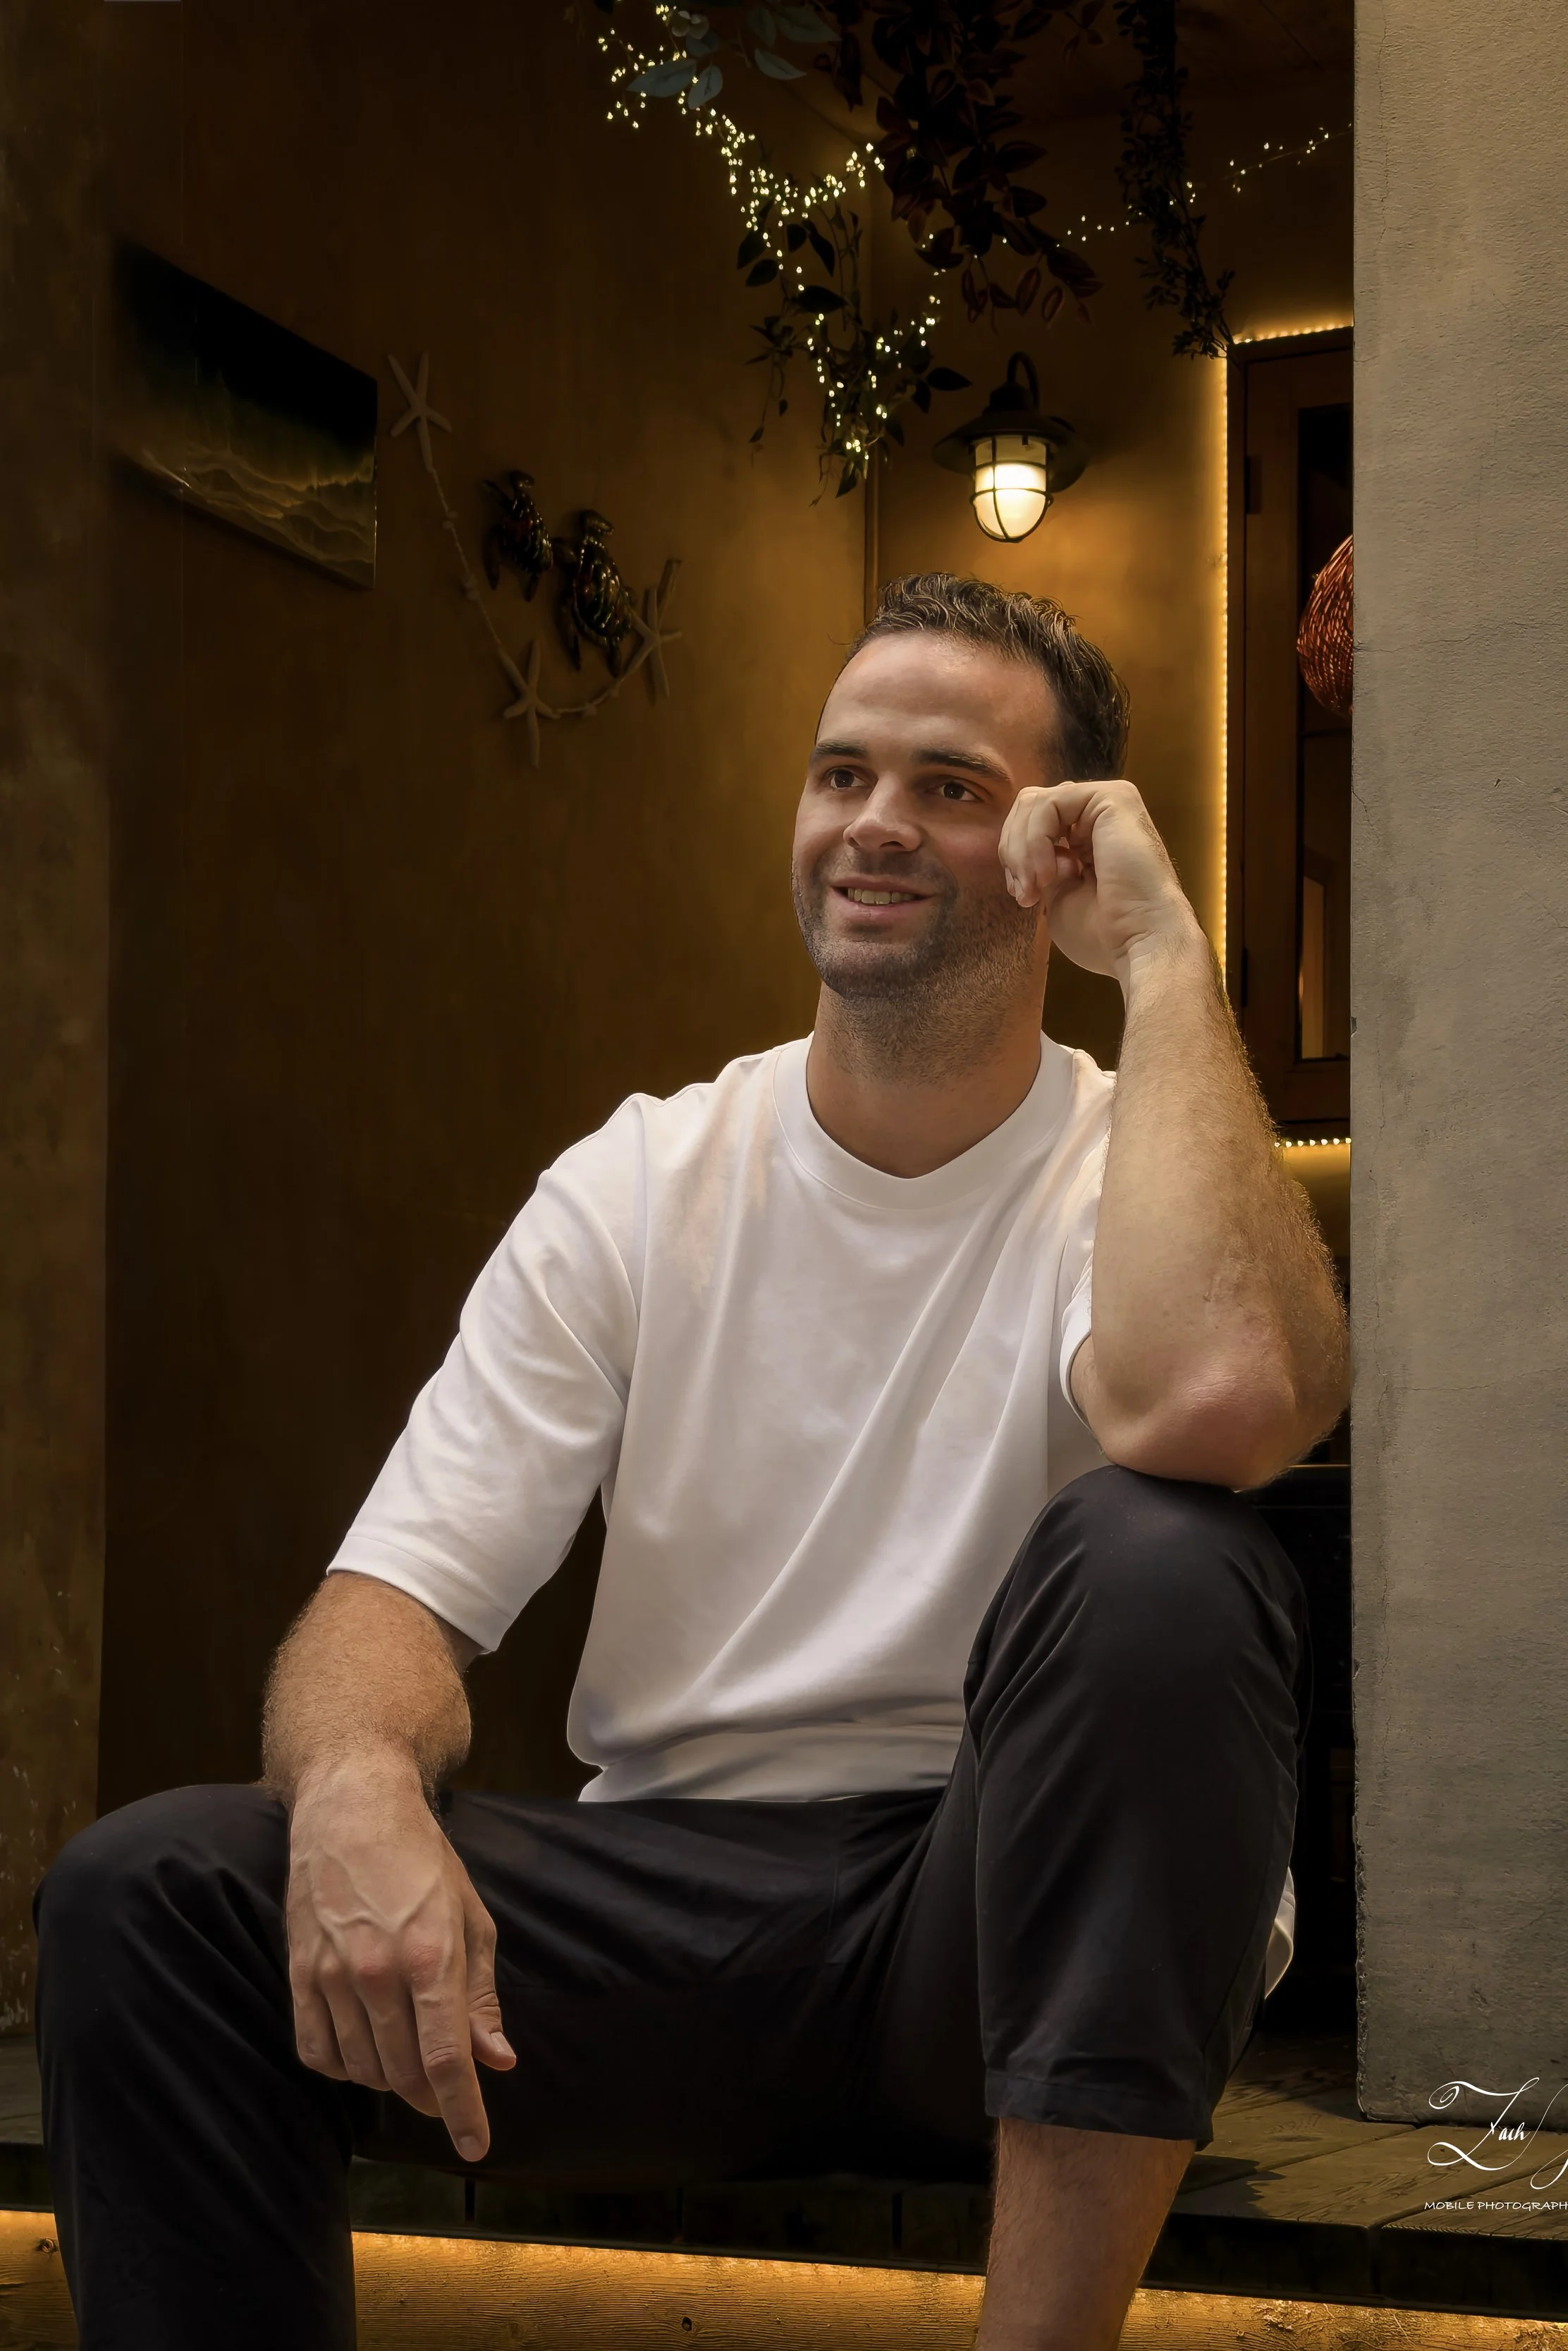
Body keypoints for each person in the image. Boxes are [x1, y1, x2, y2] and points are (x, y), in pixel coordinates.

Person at [35, 574, 1347, 2351]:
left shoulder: (1131, 1165)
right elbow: (386, 1607)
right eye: (840, 774)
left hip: (998, 1930)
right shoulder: (642, 1179)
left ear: (1058, 852)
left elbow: (1224, 1396)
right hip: (677, 1925)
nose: (873, 822)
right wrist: (355, 1793)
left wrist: (1172, 960)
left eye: (950, 786)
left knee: (1163, 1555)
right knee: (152, 1895)